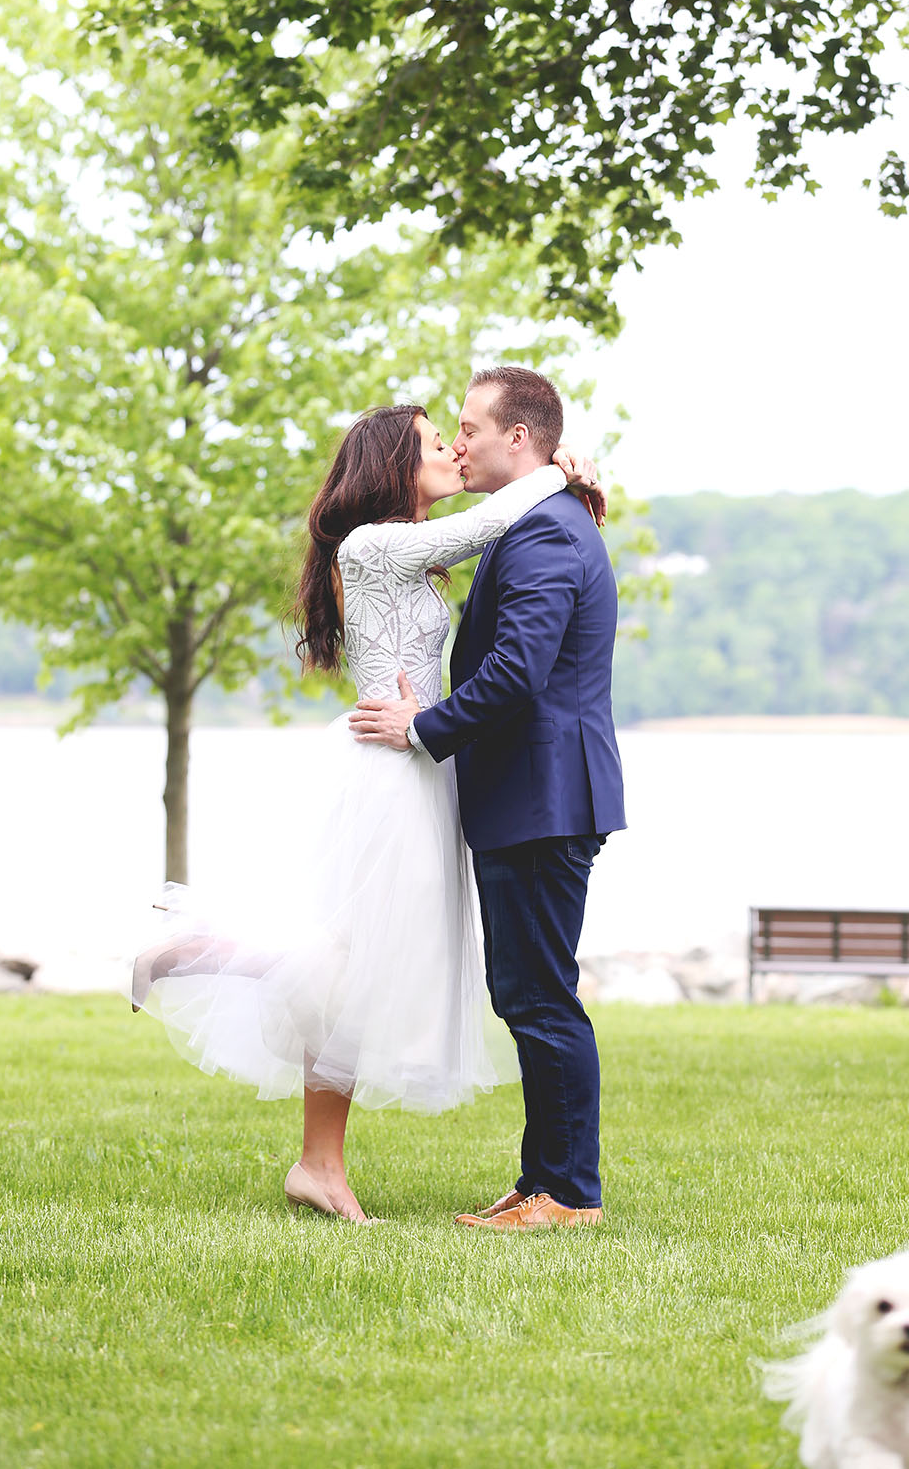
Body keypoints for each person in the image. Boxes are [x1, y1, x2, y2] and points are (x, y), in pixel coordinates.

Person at [131, 401, 600, 1223]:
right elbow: (484, 521)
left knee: (358, 968)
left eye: (458, 435)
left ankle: (320, 1165)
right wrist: (562, 473)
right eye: (433, 442)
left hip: (417, 761)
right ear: (391, 464)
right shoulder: (375, 543)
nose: (454, 450)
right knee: (344, 958)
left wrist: (555, 478)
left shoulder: (405, 558)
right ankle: (187, 950)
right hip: (388, 766)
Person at [349, 366, 625, 1232]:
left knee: (540, 998)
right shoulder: (538, 520)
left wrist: (421, 731)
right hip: (530, 795)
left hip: (543, 796)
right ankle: (543, 1177)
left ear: (519, 438)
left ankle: (568, 1192)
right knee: (529, 994)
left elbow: (516, 671)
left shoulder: (546, 533)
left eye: (469, 427)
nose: (458, 442)